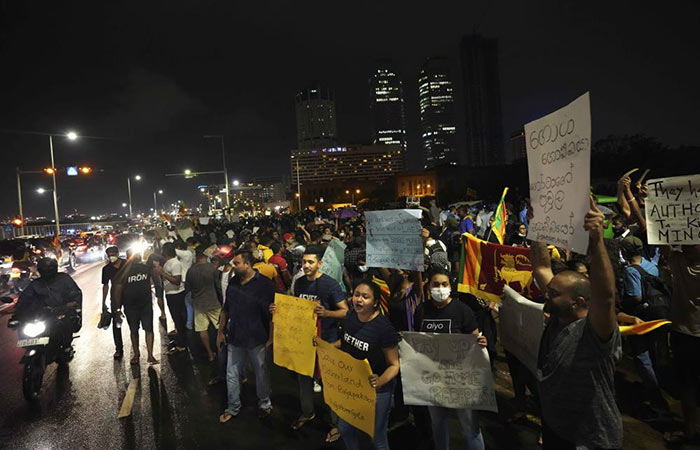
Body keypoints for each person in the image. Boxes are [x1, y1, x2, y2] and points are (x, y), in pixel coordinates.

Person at [531, 198, 622, 449]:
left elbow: (606, 296)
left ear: (578, 302)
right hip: (556, 429)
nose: (545, 294)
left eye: (554, 293)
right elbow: (540, 267)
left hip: (589, 438)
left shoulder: (594, 332)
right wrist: (537, 228)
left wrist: (597, 240)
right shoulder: (559, 316)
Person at [414, 268, 488, 450]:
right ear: (428, 286)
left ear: (450, 286)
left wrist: (481, 342)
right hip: (434, 377)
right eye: (436, 284)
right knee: (438, 422)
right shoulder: (422, 310)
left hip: (460, 378)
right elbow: (419, 338)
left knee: (469, 425)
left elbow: (474, 338)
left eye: (444, 284)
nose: (440, 288)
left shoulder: (462, 310)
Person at [283, 244, 349, 443]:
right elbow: (295, 306)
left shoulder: (330, 284)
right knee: (304, 380)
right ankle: (307, 412)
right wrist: (281, 309)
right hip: (304, 341)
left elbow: (345, 311)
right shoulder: (300, 282)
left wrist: (327, 313)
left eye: (311, 262)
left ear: (320, 264)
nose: (306, 265)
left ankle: (336, 424)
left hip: (326, 341)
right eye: (303, 261)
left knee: (329, 384)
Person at [331, 280, 400, 450]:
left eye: (365, 297)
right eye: (356, 295)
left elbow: (394, 365)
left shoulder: (384, 328)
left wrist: (380, 381)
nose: (359, 300)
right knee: (345, 428)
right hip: (353, 386)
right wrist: (328, 347)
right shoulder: (350, 317)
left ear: (375, 302)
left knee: (377, 438)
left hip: (378, 391)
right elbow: (347, 341)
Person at [216, 250, 274, 422]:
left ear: (247, 264)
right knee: (231, 373)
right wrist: (220, 332)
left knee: (261, 373)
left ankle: (265, 403)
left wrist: (271, 338)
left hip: (257, 338)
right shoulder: (234, 282)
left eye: (237, 263)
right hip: (235, 337)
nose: (233, 266)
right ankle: (233, 407)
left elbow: (273, 314)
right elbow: (226, 309)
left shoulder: (264, 284)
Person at [662, 244, 700, 445]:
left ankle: (690, 429)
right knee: (687, 385)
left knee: (688, 386)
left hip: (685, 333)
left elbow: (657, 235)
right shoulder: (679, 261)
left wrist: (636, 211)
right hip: (684, 333)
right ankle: (690, 429)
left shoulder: (678, 261)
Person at [15, 257, 82, 355]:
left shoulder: (64, 279)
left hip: (60, 312)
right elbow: (25, 298)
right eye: (44, 269)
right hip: (42, 315)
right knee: (23, 324)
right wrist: (17, 312)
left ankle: (66, 346)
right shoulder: (35, 284)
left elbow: (75, 293)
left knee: (65, 322)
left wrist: (70, 304)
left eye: (48, 269)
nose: (46, 272)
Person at [112, 250, 158, 366]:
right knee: (137, 330)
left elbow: (154, 281)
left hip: (144, 305)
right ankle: (139, 354)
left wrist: (118, 309)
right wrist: (117, 309)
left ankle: (148, 355)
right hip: (132, 306)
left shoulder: (146, 268)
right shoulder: (124, 272)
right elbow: (117, 290)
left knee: (143, 330)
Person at [186, 245, 223, 362]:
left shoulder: (191, 270)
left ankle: (210, 354)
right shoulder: (212, 269)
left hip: (198, 304)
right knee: (219, 329)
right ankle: (221, 351)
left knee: (202, 330)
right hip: (213, 302)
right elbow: (218, 287)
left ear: (196, 255)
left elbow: (188, 288)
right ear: (206, 255)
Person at [154, 242, 188, 355]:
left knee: (179, 319)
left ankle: (182, 346)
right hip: (171, 294)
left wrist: (163, 273)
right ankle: (180, 340)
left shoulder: (175, 263)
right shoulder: (168, 262)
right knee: (176, 319)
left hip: (177, 295)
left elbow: (177, 281)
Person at [102, 246, 125, 359]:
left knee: (132, 322)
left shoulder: (127, 264)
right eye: (109, 254)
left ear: (118, 253)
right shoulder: (106, 269)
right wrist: (103, 303)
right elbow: (105, 286)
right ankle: (119, 349)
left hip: (129, 296)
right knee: (117, 323)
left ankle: (135, 349)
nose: (111, 256)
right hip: (115, 299)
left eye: (113, 253)